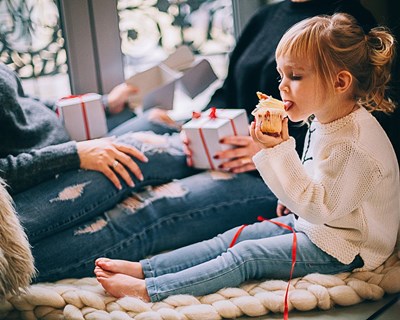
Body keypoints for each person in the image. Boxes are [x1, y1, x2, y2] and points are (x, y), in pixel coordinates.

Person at [12, 0, 386, 283]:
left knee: (152, 205)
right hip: (222, 143)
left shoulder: (347, 25)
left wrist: (266, 147)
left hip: (271, 175)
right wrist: (197, 123)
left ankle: (13, 268)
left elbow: (348, 120)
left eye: (294, 75)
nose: (282, 83)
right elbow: (227, 92)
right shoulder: (265, 18)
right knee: (133, 149)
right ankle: (9, 229)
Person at [93, 13, 400, 302]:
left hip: (347, 246)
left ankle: (152, 289)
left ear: (340, 83)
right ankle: (149, 269)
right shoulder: (326, 117)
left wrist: (277, 149)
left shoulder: (353, 145)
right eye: (281, 74)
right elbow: (315, 176)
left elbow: (320, 208)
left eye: (295, 76)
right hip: (322, 225)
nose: (281, 86)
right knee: (232, 238)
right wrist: (292, 196)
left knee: (247, 257)